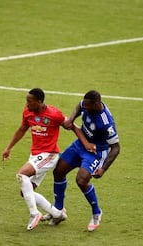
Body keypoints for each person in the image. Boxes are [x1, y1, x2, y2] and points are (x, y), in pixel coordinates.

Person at [2, 88, 96, 231]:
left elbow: (70, 125)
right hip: (35, 156)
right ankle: (57, 214)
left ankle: (34, 213)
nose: (27, 104)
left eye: (30, 101)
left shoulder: (54, 114)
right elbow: (22, 129)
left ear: (39, 102)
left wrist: (85, 143)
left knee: (21, 175)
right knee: (25, 192)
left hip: (49, 155)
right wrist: (9, 148)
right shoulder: (28, 112)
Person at [48, 90, 120, 232]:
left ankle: (96, 212)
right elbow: (79, 106)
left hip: (96, 151)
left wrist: (104, 168)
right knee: (58, 171)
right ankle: (58, 210)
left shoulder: (106, 123)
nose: (84, 107)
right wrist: (72, 119)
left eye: (87, 106)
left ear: (96, 104)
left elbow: (116, 148)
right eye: (85, 104)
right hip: (79, 145)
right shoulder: (87, 104)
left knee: (81, 180)